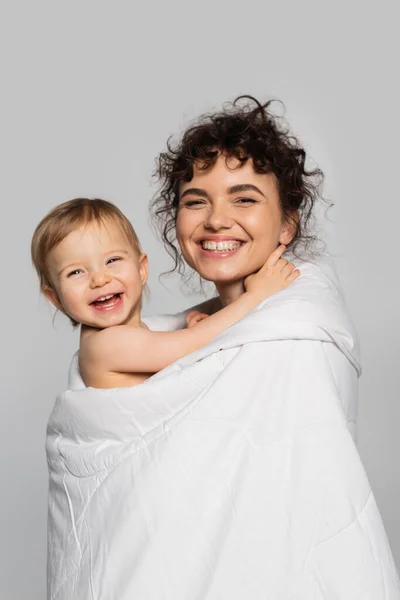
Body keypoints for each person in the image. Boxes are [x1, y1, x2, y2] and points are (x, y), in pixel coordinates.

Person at [44, 99, 400, 599]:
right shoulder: (193, 329)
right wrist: (232, 311)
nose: (216, 219)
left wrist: (243, 307)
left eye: (245, 199)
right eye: (195, 201)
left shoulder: (288, 338)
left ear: (287, 225)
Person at [31, 197, 299, 389]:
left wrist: (193, 335)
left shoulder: (138, 334)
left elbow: (177, 361)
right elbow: (193, 343)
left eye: (112, 261)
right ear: (55, 297)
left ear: (141, 269)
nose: (100, 279)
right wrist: (254, 296)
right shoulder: (104, 345)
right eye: (76, 272)